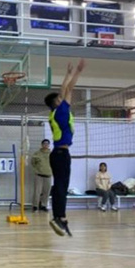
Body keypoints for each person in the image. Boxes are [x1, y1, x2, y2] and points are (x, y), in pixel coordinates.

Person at [44, 59, 85, 237]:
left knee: (61, 185)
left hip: (58, 153)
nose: (64, 99)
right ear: (57, 102)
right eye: (60, 99)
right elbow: (69, 90)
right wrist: (78, 72)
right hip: (61, 154)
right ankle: (58, 217)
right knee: (61, 186)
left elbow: (64, 90)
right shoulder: (60, 111)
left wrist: (68, 74)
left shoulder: (54, 112)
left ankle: (61, 217)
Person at [31, 139, 52, 212]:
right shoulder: (37, 153)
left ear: (49, 145)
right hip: (39, 175)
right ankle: (35, 206)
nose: (46, 145)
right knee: (37, 191)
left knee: (47, 191)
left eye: (47, 144)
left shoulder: (51, 154)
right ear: (42, 145)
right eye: (44, 144)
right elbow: (33, 163)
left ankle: (44, 205)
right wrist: (37, 170)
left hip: (48, 175)